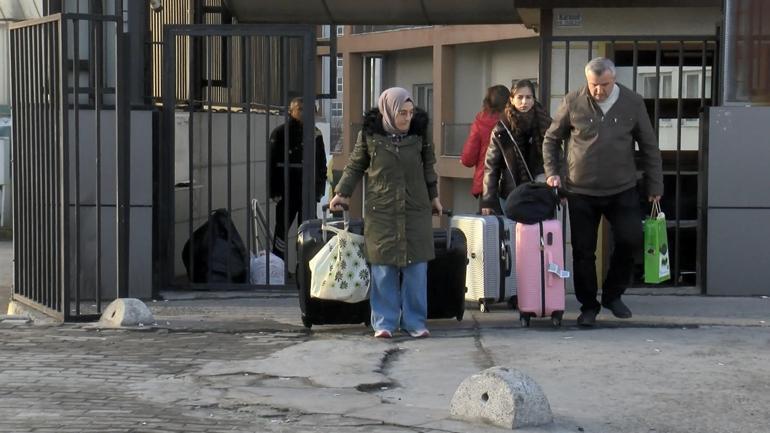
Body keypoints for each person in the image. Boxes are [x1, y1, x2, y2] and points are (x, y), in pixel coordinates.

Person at [542, 57, 663, 327]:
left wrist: (655, 185)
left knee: (631, 239)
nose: (598, 91)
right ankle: (588, 306)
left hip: (622, 188)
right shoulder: (573, 100)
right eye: (593, 85)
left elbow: (649, 146)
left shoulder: (633, 102)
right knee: (583, 251)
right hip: (580, 190)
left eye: (604, 85)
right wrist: (553, 173)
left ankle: (613, 294)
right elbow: (551, 139)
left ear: (614, 79)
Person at [329, 87, 442, 339]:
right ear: (388, 111)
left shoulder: (419, 133)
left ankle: (415, 322)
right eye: (402, 113)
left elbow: (429, 167)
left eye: (410, 112)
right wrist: (342, 193)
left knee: (416, 268)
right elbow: (355, 165)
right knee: (383, 268)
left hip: (415, 208)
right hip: (381, 209)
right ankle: (384, 322)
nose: (407, 118)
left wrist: (434, 197)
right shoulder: (370, 135)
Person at [481, 79, 552, 215]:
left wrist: (561, 189)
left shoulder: (545, 123)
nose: (524, 102)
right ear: (512, 99)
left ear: (534, 99)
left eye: (528, 97)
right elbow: (491, 166)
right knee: (513, 228)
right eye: (520, 97)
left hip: (540, 192)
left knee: (539, 228)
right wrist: (488, 200)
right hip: (511, 193)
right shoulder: (502, 129)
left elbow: (556, 157)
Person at [269, 97, 327, 260]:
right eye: (300, 109)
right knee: (281, 231)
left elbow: (321, 164)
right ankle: (278, 264)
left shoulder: (316, 134)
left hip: (308, 191)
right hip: (287, 190)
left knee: (308, 232)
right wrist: (274, 191)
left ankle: (303, 266)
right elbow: (272, 163)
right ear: (291, 111)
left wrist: (318, 190)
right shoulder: (280, 133)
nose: (304, 113)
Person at [460, 85, 510, 205]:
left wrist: (464, 159)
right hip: (510, 182)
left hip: (486, 183)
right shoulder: (511, 121)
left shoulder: (480, 122)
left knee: (488, 217)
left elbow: (468, 159)